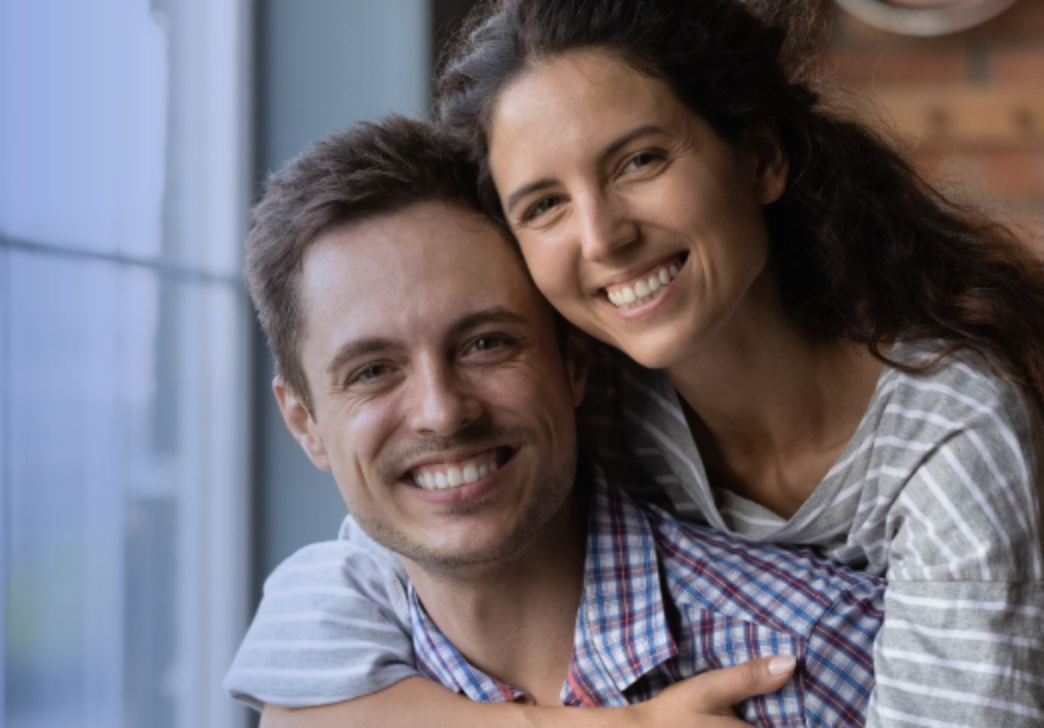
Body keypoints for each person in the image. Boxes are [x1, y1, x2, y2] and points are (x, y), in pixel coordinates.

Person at [233, 0, 1044, 726]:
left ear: (761, 158)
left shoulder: (952, 435)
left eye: (639, 161)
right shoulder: (599, 386)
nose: (603, 237)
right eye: (545, 204)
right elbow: (329, 603)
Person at [224, 116, 887, 727]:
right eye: (372, 370)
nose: (442, 412)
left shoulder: (817, 655)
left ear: (574, 364)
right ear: (305, 423)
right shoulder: (320, 674)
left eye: (485, 343)